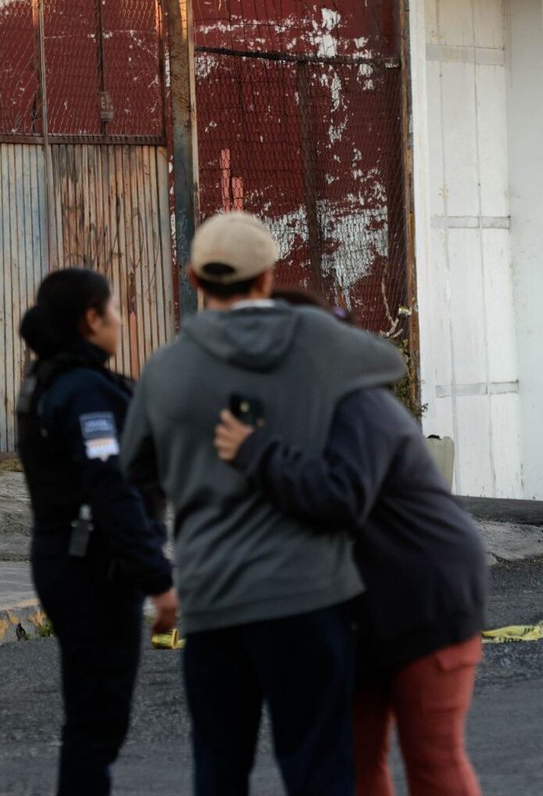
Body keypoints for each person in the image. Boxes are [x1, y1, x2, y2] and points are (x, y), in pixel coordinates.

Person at [120, 211, 406, 796]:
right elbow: (390, 363)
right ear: (269, 275)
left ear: (195, 279)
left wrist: (156, 569)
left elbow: (134, 481)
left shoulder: (166, 369)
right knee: (319, 768)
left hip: (213, 598)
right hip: (311, 597)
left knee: (219, 768)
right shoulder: (321, 343)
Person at [212, 326, 488, 796]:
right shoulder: (298, 417)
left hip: (428, 603)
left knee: (431, 758)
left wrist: (254, 451)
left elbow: (339, 497)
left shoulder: (359, 407)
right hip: (358, 615)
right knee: (352, 764)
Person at [15, 267, 178, 796]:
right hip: (93, 567)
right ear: (90, 318)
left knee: (92, 712)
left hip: (69, 559)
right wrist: (158, 577)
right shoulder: (83, 390)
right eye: (112, 310)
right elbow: (110, 489)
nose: (119, 321)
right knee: (97, 718)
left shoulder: (52, 379)